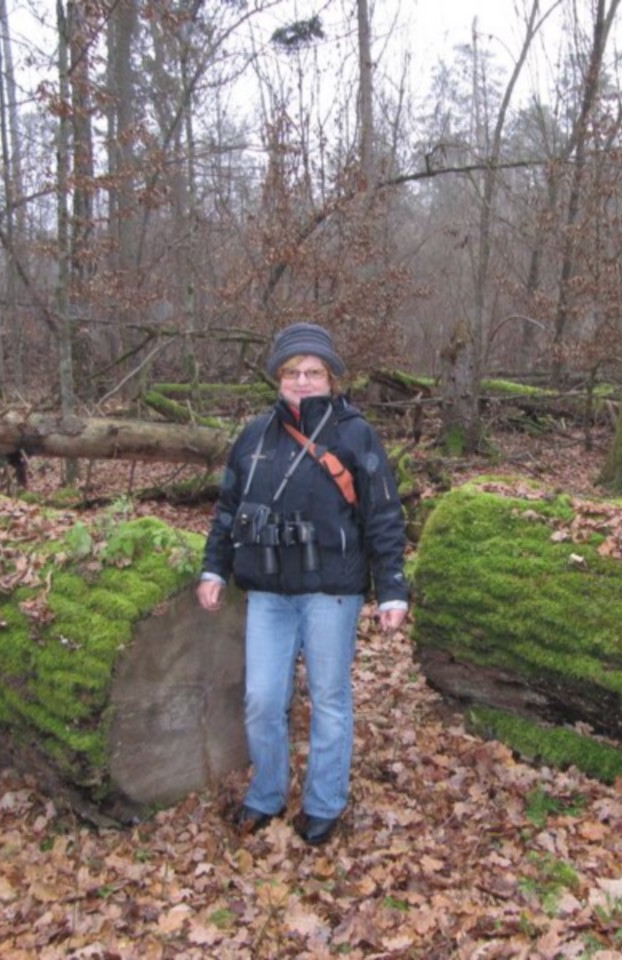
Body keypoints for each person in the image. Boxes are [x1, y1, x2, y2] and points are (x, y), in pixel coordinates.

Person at [197, 322, 409, 846]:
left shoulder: (355, 434)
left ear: (331, 378)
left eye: (314, 372)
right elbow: (228, 509)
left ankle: (324, 804)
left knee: (329, 698)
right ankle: (267, 793)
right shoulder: (254, 436)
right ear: (278, 377)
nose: (302, 381)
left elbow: (383, 514)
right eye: (292, 371)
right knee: (262, 699)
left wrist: (392, 589)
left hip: (331, 591)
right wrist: (213, 568)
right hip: (268, 592)